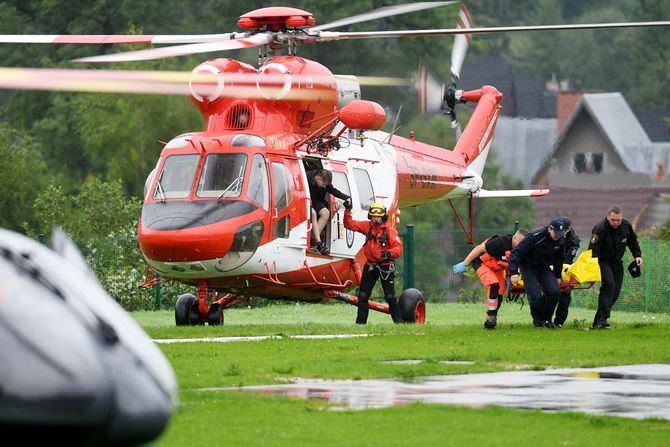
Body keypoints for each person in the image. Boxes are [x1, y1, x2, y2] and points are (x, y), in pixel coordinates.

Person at [452, 229, 528, 329]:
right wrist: (465, 263)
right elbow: (478, 249)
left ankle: (492, 319)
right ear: (514, 237)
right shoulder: (499, 243)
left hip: (497, 268)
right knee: (494, 285)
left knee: (500, 292)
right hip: (482, 263)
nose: (521, 245)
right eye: (520, 242)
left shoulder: (521, 250)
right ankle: (491, 319)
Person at [343, 201, 403, 324]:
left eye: (378, 217)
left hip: (385, 266)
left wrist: (389, 254)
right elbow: (350, 225)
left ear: (383, 217)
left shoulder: (389, 231)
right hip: (370, 266)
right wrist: (347, 210)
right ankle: (360, 324)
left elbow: (398, 248)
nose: (375, 219)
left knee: (390, 297)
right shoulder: (367, 226)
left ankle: (399, 323)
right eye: (373, 216)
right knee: (363, 296)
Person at [507, 218, 568, 328]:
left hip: (544, 268)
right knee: (535, 296)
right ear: (550, 229)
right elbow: (516, 253)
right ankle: (538, 322)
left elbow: (559, 259)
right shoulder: (535, 236)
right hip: (528, 267)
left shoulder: (561, 240)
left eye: (560, 234)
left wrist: (557, 276)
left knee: (554, 292)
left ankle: (547, 319)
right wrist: (513, 272)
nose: (557, 236)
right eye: (556, 233)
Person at [589, 205, 642, 329]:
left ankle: (598, 321)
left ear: (621, 217)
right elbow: (592, 251)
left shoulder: (626, 226)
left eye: (618, 220)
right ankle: (602, 320)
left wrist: (637, 255)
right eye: (613, 220)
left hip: (617, 262)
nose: (616, 223)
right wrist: (592, 273)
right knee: (609, 285)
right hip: (602, 261)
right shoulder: (599, 229)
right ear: (608, 217)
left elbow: (633, 242)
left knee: (615, 292)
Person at [306, 168, 351, 255]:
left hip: (316, 200)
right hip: (305, 199)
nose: (324, 186)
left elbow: (333, 190)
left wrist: (346, 197)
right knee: (313, 213)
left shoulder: (324, 181)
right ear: (318, 178)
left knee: (325, 213)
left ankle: (313, 239)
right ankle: (318, 243)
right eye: (323, 184)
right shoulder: (306, 176)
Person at [552, 218, 581, 328]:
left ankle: (559, 322)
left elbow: (569, 260)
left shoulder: (573, 241)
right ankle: (544, 320)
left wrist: (561, 274)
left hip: (566, 269)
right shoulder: (553, 236)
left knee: (565, 294)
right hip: (551, 268)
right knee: (550, 294)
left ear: (568, 229)